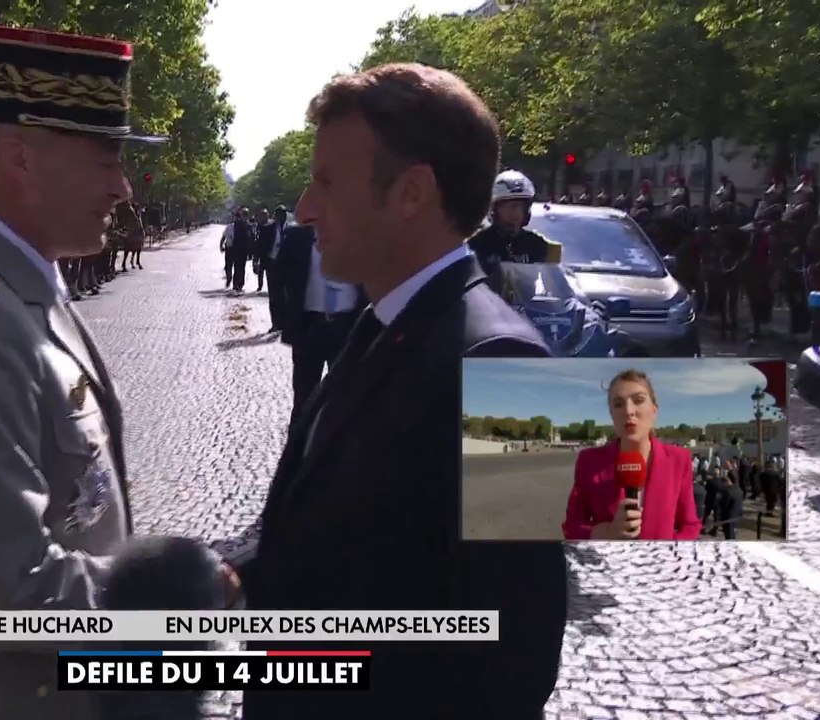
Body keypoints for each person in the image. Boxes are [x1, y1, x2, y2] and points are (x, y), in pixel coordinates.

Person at [0, 25, 228, 720]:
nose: (124, 189)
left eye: (327, 180)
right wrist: (174, 596)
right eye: (106, 161)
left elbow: (510, 536)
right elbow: (2, 591)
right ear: (21, 159)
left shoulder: (505, 355)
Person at [233, 63, 567, 719]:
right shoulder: (382, 320)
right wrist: (230, 575)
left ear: (411, 192)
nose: (304, 208)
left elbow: (512, 655)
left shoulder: (503, 364)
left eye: (327, 182)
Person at [562, 368, 703, 540]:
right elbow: (572, 526)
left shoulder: (679, 459)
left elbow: (689, 525)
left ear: (654, 409)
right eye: (618, 404)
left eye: (639, 400)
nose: (628, 411)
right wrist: (606, 533)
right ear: (611, 414)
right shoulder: (589, 461)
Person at [275, 223, 365, 422]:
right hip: (309, 327)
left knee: (347, 399)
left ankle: (339, 451)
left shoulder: (362, 232)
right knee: (304, 400)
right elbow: (277, 276)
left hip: (348, 328)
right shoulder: (298, 237)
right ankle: (299, 450)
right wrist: (283, 319)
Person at [468, 170, 558, 289]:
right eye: (508, 207)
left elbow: (556, 287)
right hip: (488, 305)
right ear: (494, 210)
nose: (515, 213)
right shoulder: (477, 245)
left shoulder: (537, 244)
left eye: (520, 206)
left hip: (528, 307)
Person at [264, 204, 291, 332]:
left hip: (287, 266)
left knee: (286, 295)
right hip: (272, 264)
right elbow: (261, 246)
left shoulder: (292, 229)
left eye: (284, 214)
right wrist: (258, 262)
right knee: (274, 295)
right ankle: (275, 323)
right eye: (279, 214)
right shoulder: (268, 229)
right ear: (275, 216)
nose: (282, 217)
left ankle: (285, 322)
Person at [252, 207, 273, 292]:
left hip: (268, 251)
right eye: (262, 215)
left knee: (269, 271)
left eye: (265, 215)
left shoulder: (271, 225)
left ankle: (270, 286)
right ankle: (260, 285)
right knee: (260, 270)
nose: (263, 217)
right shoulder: (257, 225)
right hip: (259, 250)